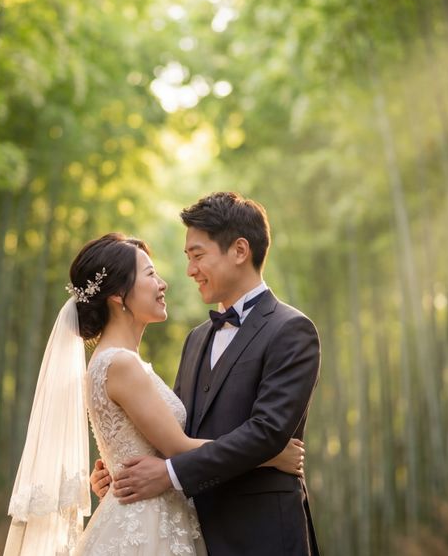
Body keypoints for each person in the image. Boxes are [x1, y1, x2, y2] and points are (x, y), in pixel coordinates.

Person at [3, 233, 304, 555]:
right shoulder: (120, 363)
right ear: (119, 294)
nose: (163, 284)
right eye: (150, 275)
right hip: (144, 524)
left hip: (154, 514)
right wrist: (269, 455)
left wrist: (111, 469)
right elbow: (177, 446)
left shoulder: (120, 362)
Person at [92, 193, 322, 555]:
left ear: (240, 251)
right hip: (192, 533)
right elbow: (176, 430)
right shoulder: (197, 339)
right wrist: (118, 468)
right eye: (187, 258)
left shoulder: (291, 330)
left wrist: (167, 473)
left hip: (262, 534)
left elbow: (268, 431)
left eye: (197, 256)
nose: (189, 270)